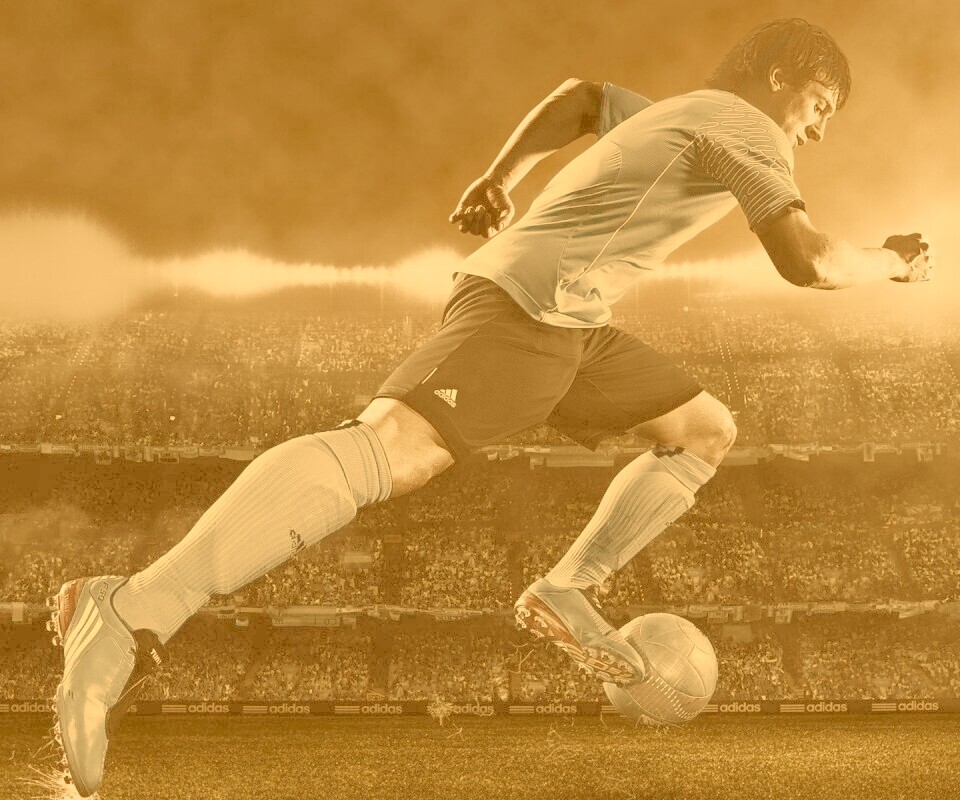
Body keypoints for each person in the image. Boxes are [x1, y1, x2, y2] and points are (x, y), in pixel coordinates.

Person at [47, 18, 932, 796]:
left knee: (703, 429)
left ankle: (567, 585)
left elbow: (582, 98)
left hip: (573, 322)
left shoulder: (673, 114)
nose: (819, 127)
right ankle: (131, 610)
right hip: (531, 307)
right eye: (821, 102)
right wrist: (893, 262)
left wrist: (500, 176)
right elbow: (809, 262)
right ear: (780, 76)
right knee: (392, 449)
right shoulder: (745, 127)